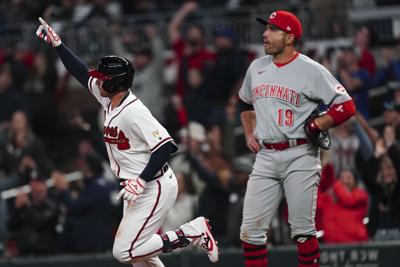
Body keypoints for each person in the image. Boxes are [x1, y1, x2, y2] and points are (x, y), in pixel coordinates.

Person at [35, 17, 219, 266]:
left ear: (116, 82)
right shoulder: (109, 99)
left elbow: (166, 146)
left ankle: (192, 232)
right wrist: (58, 45)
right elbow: (80, 72)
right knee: (141, 259)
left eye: (103, 78)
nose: (97, 80)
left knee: (123, 252)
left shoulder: (134, 111)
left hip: (153, 185)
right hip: (137, 187)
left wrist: (141, 181)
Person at [238, 11, 356, 267]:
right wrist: (249, 131)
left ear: (289, 36)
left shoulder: (311, 70)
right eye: (266, 28)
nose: (264, 34)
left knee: (302, 232)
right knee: (250, 233)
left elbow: (346, 106)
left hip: (300, 154)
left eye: (272, 29)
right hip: (266, 155)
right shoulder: (256, 68)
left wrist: (318, 123)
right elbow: (244, 103)